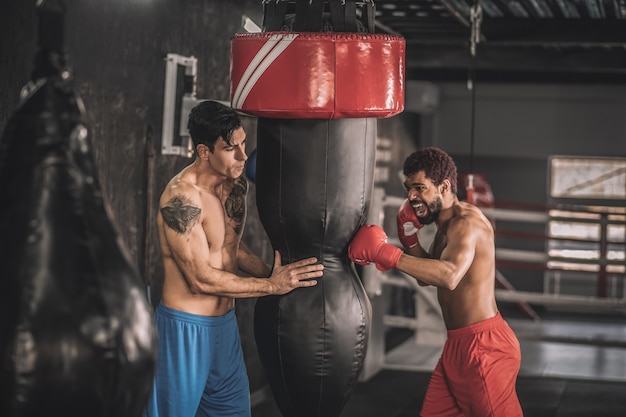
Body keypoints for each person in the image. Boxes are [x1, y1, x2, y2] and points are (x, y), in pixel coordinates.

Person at [143, 100, 324, 417]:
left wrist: (276, 274)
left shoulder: (236, 184)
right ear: (204, 152)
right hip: (185, 330)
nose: (243, 156)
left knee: (234, 412)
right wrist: (270, 286)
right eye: (231, 149)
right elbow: (200, 278)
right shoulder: (181, 198)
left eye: (243, 144)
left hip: (224, 327)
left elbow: (231, 247)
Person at [348, 147, 522, 417]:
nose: (412, 197)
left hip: (485, 348)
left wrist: (385, 253)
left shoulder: (466, 224)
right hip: (457, 345)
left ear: (444, 186)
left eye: (419, 188)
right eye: (409, 188)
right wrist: (410, 242)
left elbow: (449, 276)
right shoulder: (444, 226)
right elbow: (428, 278)